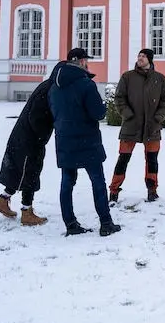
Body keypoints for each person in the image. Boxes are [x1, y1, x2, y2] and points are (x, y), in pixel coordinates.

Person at [48, 48, 120, 237]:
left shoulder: (54, 86)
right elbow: (98, 113)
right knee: (97, 181)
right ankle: (106, 223)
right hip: (87, 140)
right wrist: (103, 106)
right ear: (80, 61)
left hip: (64, 139)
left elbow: (52, 111)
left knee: (67, 183)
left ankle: (70, 223)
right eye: (86, 60)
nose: (87, 63)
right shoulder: (86, 85)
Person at [0, 74, 57, 226]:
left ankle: (3, 200)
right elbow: (37, 116)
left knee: (20, 172)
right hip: (30, 139)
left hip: (23, 136)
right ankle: (27, 212)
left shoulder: (47, 86)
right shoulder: (49, 89)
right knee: (30, 173)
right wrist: (41, 137)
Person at [109, 48, 165, 204]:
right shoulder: (127, 77)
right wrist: (127, 114)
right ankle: (114, 191)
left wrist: (158, 117)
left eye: (143, 56)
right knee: (123, 159)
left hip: (152, 126)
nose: (140, 58)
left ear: (150, 59)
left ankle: (152, 190)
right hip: (131, 125)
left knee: (152, 160)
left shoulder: (160, 78)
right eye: (139, 56)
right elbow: (119, 98)